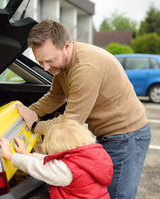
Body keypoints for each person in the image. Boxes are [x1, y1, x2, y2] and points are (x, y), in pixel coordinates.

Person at [15, 19, 151, 199]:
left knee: (117, 195)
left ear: (67, 46)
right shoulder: (63, 65)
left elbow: (71, 122)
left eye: (49, 60)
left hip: (126, 136)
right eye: (41, 62)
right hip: (112, 135)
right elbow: (55, 96)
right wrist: (29, 111)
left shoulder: (85, 69)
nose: (46, 68)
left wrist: (34, 126)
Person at [0, 118, 113, 199]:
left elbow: (38, 168)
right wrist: (26, 154)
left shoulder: (68, 171)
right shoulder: (89, 157)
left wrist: (10, 156)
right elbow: (51, 161)